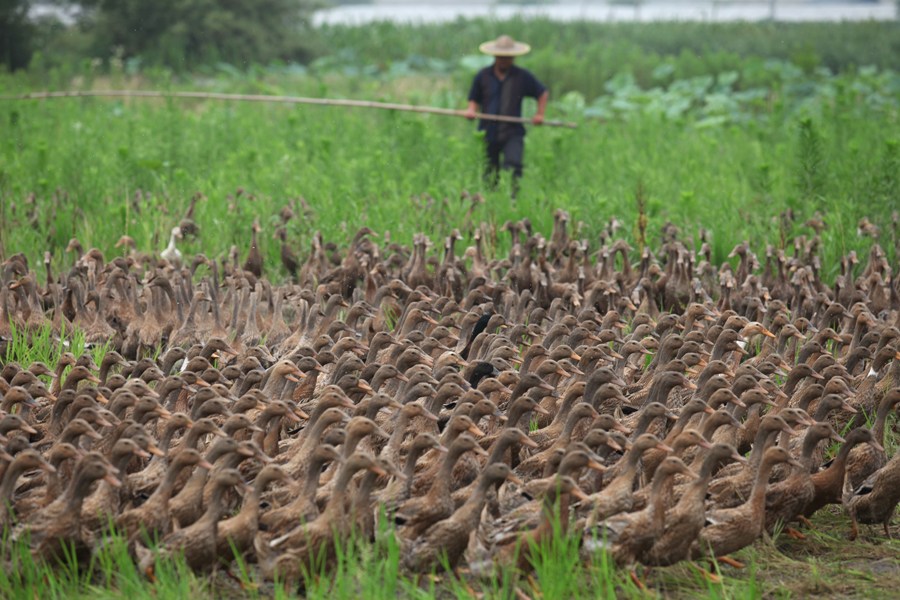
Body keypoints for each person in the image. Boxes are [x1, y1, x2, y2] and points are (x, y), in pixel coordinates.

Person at [465, 34, 548, 198]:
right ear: (495, 56)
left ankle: (513, 200)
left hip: (513, 131)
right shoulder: (483, 76)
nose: (504, 60)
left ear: (513, 57)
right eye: (501, 57)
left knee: (514, 165)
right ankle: (490, 201)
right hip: (488, 130)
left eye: (507, 58)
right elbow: (474, 98)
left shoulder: (522, 76)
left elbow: (542, 92)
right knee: (489, 170)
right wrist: (471, 110)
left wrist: (539, 114)